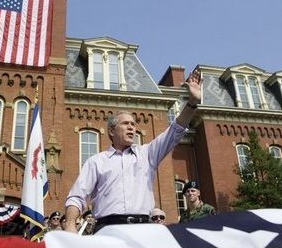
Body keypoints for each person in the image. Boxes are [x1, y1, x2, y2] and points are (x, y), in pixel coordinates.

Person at [64, 69, 202, 233]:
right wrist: (70, 224)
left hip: (143, 229)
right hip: (108, 230)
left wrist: (192, 103)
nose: (131, 127)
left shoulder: (147, 154)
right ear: (111, 131)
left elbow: (175, 130)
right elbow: (76, 196)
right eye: (125, 124)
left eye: (133, 124)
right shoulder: (96, 162)